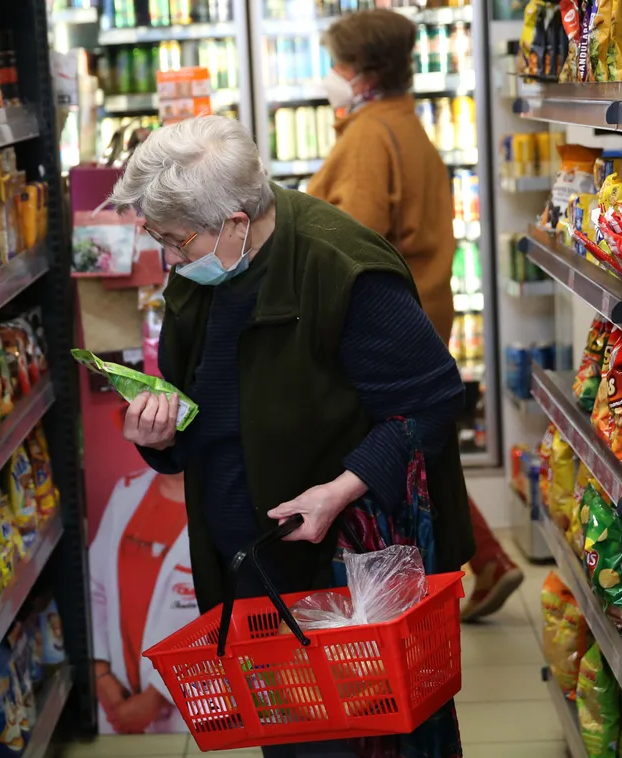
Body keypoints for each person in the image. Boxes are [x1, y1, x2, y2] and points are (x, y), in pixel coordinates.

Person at [110, 114, 473, 758]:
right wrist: (160, 436)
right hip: (252, 563)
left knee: (363, 738)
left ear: (235, 222)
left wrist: (340, 489)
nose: (168, 258)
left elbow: (432, 402)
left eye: (175, 241)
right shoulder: (205, 265)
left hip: (342, 569)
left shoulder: (344, 268)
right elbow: (203, 408)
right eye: (156, 237)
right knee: (290, 735)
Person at [306, 9, 524, 622]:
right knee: (422, 450)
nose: (331, 75)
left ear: (363, 72)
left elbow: (349, 243)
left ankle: (415, 594)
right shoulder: (403, 122)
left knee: (393, 456)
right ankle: (487, 559)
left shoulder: (368, 137)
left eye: (337, 64)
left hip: (382, 330)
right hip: (425, 310)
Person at [90, 467, 197, 734]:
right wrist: (100, 672)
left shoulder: (232, 501)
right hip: (119, 695)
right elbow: (95, 588)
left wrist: (158, 695)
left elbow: (228, 613)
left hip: (192, 705)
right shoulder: (128, 491)